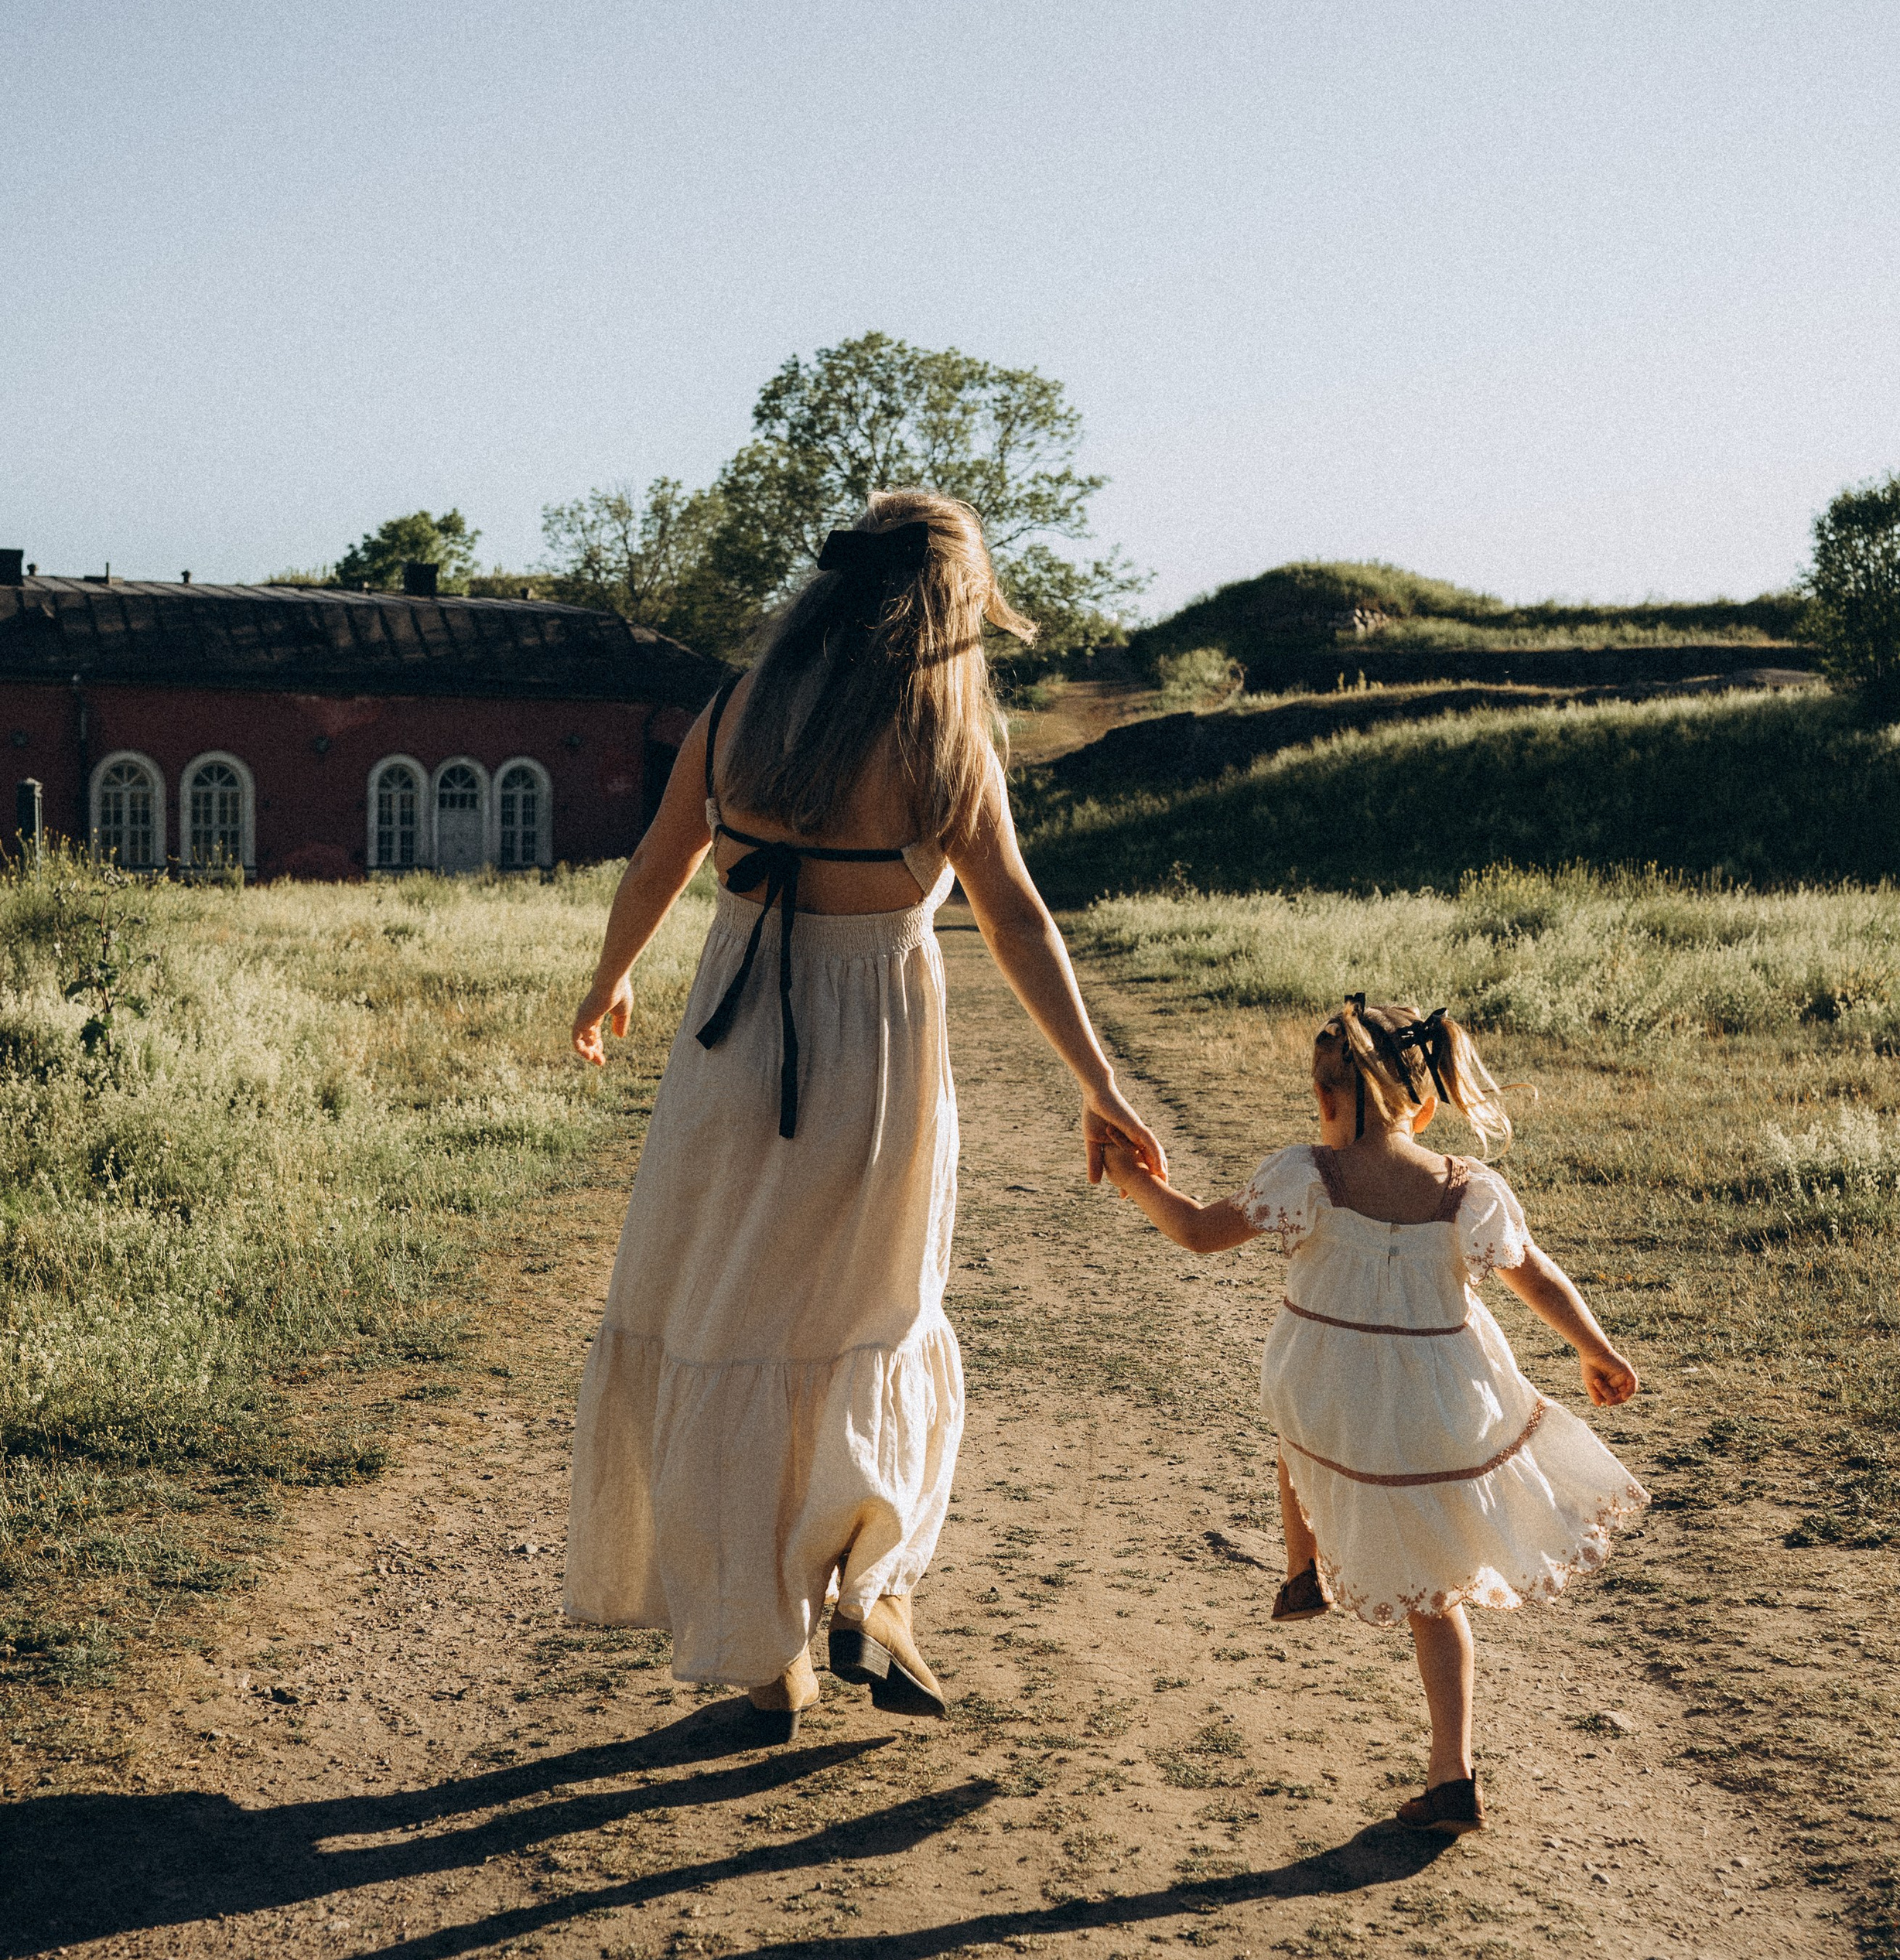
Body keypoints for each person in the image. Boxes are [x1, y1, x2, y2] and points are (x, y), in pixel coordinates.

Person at [564, 490, 1165, 1743]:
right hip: (879, 1053)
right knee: (874, 1320)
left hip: (735, 1047)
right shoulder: (943, 739)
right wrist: (1099, 1083)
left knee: (729, 1320)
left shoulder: (739, 710)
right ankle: (870, 1583)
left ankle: (767, 1651)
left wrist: (610, 978)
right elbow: (1017, 920)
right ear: (950, 604)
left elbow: (660, 860)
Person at [1099, 995, 1645, 1832]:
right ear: (1423, 1104)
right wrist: (1595, 1349)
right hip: (1439, 1410)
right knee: (1438, 1597)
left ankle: (1300, 1571)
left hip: (1329, 1392)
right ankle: (1451, 1773)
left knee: (1299, 1438)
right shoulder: (1468, 1190)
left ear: (1324, 1097)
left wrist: (1136, 1178)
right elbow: (1536, 1277)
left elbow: (1197, 1234)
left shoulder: (1306, 1177)